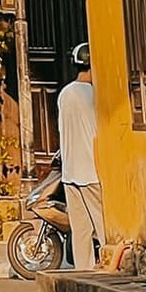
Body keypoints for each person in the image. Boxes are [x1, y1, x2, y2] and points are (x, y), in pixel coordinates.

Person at [57, 43, 104, 270]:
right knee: (103, 226)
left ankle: (83, 271)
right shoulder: (96, 94)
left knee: (81, 231)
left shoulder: (65, 94)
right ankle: (107, 268)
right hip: (91, 170)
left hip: (70, 172)